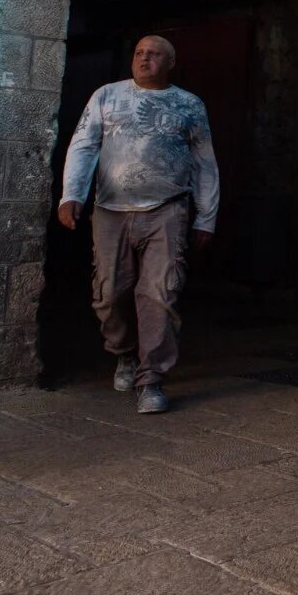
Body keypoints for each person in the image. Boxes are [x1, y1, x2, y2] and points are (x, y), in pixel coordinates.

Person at [57, 35, 220, 414]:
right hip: (111, 210)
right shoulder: (106, 96)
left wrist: (207, 218)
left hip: (168, 210)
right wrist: (72, 194)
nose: (145, 59)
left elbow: (205, 164)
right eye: (139, 53)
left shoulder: (188, 105)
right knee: (110, 292)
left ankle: (151, 380)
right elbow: (84, 145)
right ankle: (125, 354)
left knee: (160, 294)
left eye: (154, 55)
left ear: (171, 62)